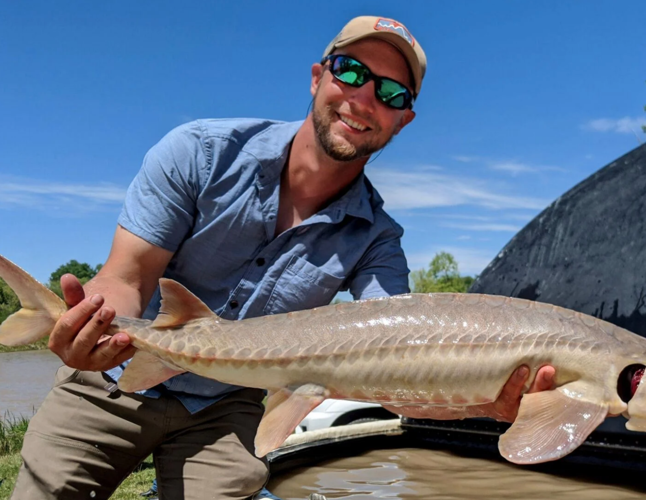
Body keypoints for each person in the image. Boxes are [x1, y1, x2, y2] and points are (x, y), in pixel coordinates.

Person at [12, 15, 555, 500]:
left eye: (391, 92)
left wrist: (483, 400)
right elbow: (127, 279)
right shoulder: (198, 153)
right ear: (318, 76)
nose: (365, 98)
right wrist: (90, 323)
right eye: (351, 71)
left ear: (403, 120)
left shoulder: (378, 240)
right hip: (118, 373)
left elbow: (402, 358)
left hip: (229, 404)